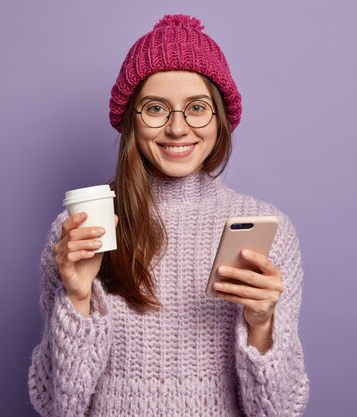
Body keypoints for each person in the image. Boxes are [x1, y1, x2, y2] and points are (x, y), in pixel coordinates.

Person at [28, 14, 309, 417]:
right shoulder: (80, 230)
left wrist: (262, 325)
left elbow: (277, 412)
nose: (178, 128)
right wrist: (76, 298)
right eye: (156, 108)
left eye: (197, 107)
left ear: (221, 119)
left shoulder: (270, 230)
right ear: (130, 120)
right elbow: (60, 406)